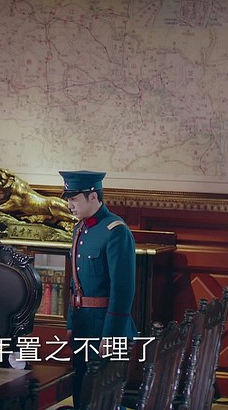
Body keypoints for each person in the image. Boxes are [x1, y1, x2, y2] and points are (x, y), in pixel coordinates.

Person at [60, 170, 137, 408]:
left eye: (74, 199)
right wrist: (71, 323)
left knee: (102, 398)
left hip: (106, 327)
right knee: (80, 392)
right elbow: (75, 285)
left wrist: (111, 335)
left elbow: (122, 292)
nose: (69, 205)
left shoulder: (116, 231)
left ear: (93, 196)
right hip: (83, 326)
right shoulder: (79, 230)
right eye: (68, 199)